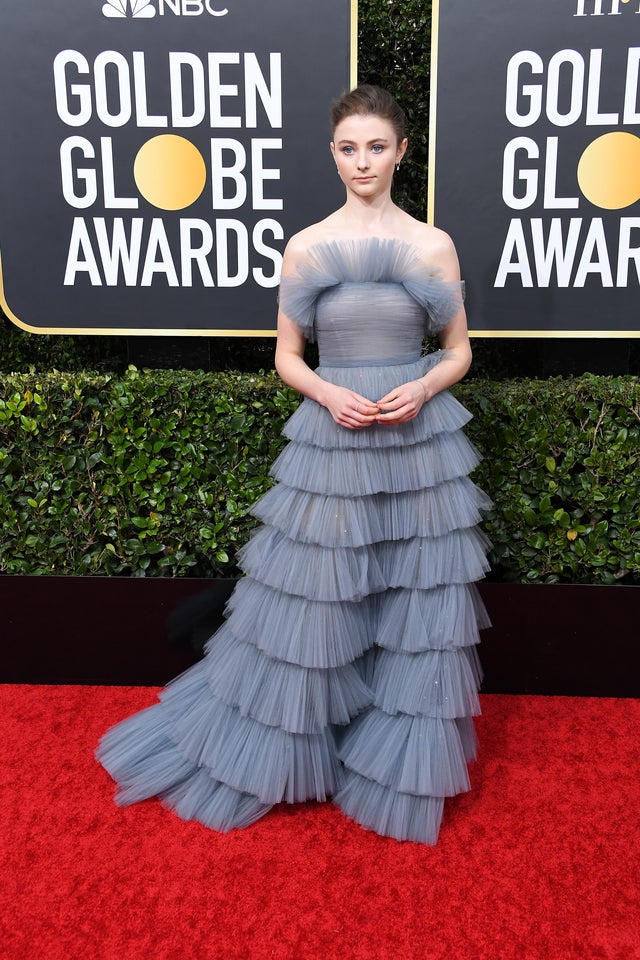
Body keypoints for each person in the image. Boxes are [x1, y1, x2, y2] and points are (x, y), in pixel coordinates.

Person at [97, 84, 491, 845]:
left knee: (415, 604)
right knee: (317, 603)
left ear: (403, 152)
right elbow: (286, 356)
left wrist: (423, 383)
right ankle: (298, 754)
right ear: (332, 153)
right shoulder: (306, 246)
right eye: (349, 147)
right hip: (335, 433)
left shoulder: (433, 244)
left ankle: (389, 759)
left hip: (418, 438)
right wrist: (327, 392)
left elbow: (459, 351)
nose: (363, 161)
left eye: (378, 146)